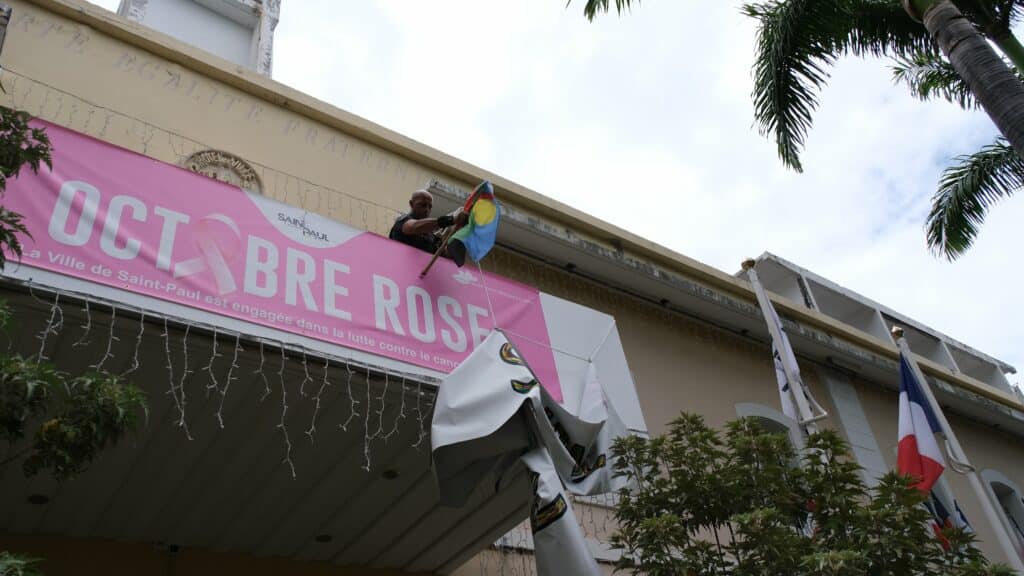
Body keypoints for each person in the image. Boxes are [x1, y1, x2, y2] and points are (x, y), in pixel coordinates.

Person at [389, 189, 464, 254]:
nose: (427, 209)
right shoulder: (403, 221)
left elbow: (445, 254)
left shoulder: (430, 236)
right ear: (411, 204)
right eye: (423, 205)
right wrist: (451, 219)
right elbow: (414, 226)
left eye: (430, 206)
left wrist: (460, 232)